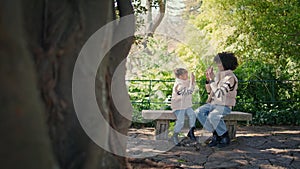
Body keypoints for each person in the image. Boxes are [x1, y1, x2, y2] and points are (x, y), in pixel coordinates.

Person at [196, 52, 238, 148]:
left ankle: (224, 136)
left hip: (225, 106)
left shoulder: (230, 78)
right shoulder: (219, 75)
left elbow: (219, 94)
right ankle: (216, 134)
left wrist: (212, 80)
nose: (217, 65)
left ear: (225, 63)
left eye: (219, 63)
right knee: (198, 112)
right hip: (214, 104)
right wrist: (208, 80)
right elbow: (210, 92)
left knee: (213, 116)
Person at [171, 68, 197, 146]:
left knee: (192, 115)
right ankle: (175, 135)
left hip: (186, 105)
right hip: (179, 106)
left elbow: (192, 86)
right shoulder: (178, 85)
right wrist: (192, 81)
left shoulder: (186, 81)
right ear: (180, 76)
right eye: (185, 74)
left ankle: (191, 131)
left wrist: (193, 81)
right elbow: (188, 92)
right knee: (181, 121)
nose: (187, 76)